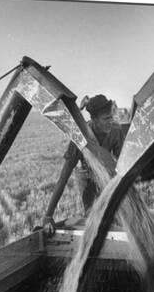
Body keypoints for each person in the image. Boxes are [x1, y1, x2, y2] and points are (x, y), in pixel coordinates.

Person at [42, 94, 125, 234]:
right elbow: (63, 178)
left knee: (115, 212)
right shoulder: (79, 138)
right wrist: (48, 216)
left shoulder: (116, 131)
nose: (111, 121)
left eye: (111, 117)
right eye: (106, 119)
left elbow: (123, 167)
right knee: (92, 215)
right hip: (85, 174)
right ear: (93, 119)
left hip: (105, 169)